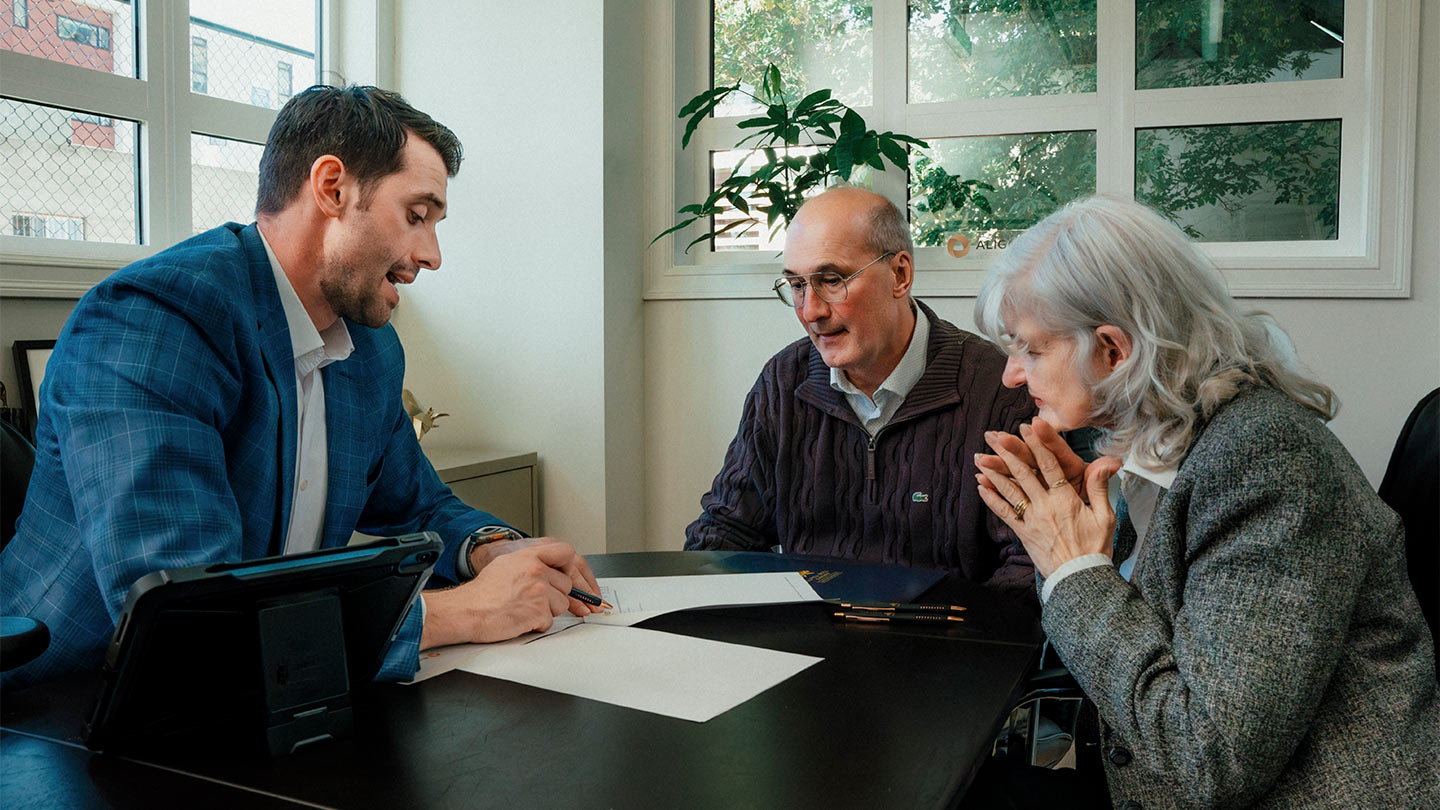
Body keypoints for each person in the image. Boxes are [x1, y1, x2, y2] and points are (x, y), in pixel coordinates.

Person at [0, 85, 600, 688]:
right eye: (416, 216)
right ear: (332, 188)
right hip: (64, 709)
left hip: (278, 693)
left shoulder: (368, 347)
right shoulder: (155, 320)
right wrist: (455, 611)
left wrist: (489, 548)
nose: (432, 255)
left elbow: (418, 502)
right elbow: (184, 624)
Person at [967, 196, 1439, 807]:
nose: (1011, 375)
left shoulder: (1267, 459)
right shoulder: (1158, 445)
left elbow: (1209, 758)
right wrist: (1087, 540)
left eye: (1030, 349)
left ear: (1113, 350)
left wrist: (1074, 570)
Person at [685, 187, 1038, 596]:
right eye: (797, 285)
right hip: (810, 640)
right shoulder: (784, 381)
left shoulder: (998, 388)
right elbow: (726, 531)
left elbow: (1030, 564)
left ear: (900, 275)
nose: (811, 310)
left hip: (947, 644)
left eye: (831, 280)